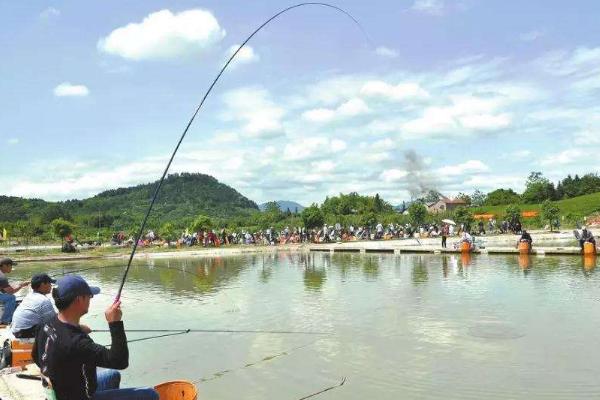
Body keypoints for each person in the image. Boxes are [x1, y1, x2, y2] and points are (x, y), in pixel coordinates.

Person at [33, 275, 158, 400]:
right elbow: (120, 361)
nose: (90, 299)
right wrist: (115, 323)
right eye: (89, 296)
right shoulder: (77, 343)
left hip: (59, 393)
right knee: (150, 394)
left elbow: (35, 356)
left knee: (113, 375)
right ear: (79, 300)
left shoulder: (46, 324)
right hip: (80, 396)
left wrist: (77, 329)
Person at [11, 273, 57, 338]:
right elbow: (52, 321)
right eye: (50, 283)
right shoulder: (43, 300)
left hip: (16, 330)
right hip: (24, 332)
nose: (51, 286)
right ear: (42, 284)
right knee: (58, 330)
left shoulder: (30, 295)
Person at [0, 258, 30, 325]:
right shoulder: (2, 277)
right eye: (11, 266)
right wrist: (22, 285)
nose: (11, 268)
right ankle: (5, 321)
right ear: (5, 266)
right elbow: (11, 292)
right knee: (11, 297)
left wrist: (17, 285)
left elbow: (4, 288)